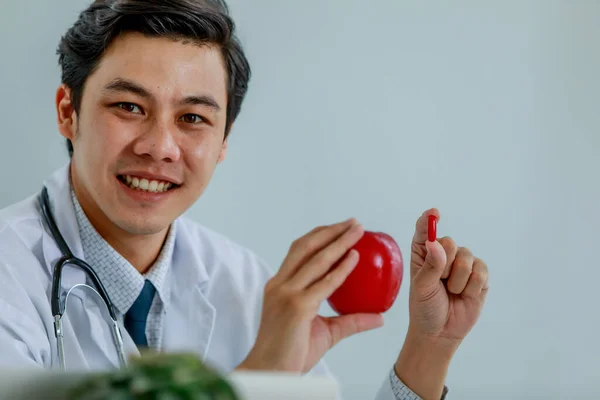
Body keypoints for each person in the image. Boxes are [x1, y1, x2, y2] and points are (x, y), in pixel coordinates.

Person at [0, 1, 489, 399]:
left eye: (193, 118)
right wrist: (261, 377)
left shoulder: (251, 287)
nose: (159, 147)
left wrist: (430, 348)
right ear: (69, 111)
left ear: (224, 141)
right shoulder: (9, 275)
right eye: (128, 107)